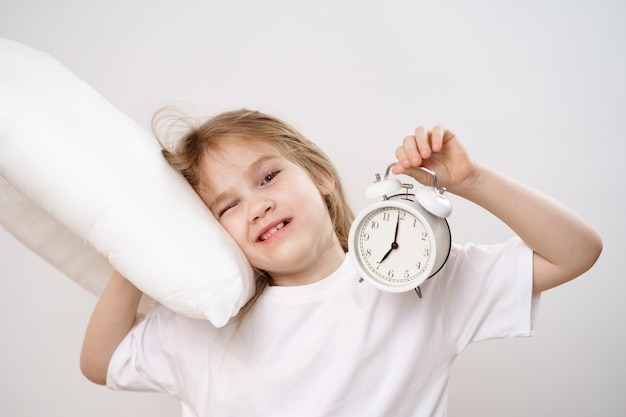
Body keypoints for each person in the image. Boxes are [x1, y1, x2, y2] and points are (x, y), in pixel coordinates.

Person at [80, 109, 602, 417]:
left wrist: (470, 182)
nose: (257, 205)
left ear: (320, 177)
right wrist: (142, 244)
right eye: (226, 206)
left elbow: (577, 252)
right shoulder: (208, 326)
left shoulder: (415, 281)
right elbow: (100, 363)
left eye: (267, 178)